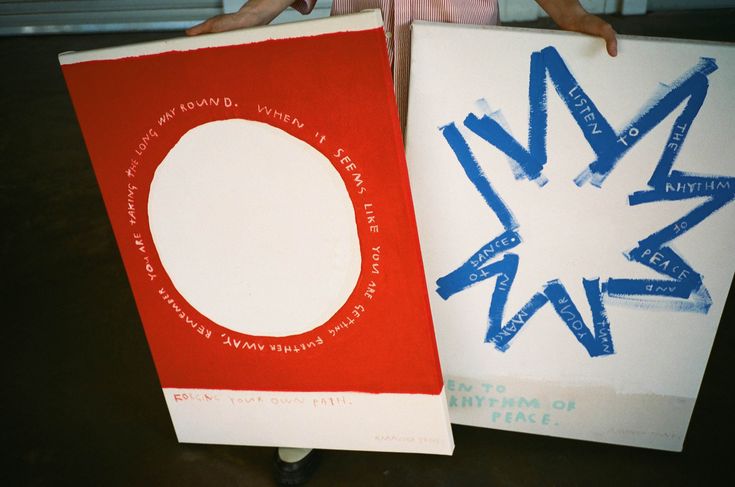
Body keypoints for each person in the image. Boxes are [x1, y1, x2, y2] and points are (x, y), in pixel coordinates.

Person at [187, 1, 617, 485]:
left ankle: (442, 382)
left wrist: (571, 13)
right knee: (345, 211)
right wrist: (253, 14)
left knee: (454, 209)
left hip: (457, 34)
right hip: (364, 29)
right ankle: (320, 399)